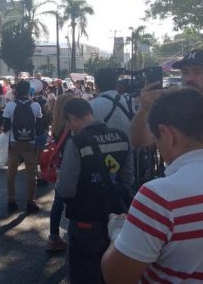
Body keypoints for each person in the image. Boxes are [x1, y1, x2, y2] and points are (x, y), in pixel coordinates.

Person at [101, 88, 203, 284]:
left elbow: (116, 277)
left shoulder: (160, 197)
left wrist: (118, 232)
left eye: (156, 141)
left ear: (167, 134)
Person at [56, 98, 133, 284]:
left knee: (84, 271)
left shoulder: (77, 142)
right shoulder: (122, 137)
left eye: (68, 123)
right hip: (117, 215)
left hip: (85, 216)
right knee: (113, 268)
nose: (70, 128)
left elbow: (65, 189)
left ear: (72, 118)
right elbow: (129, 179)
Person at [130, 49, 203, 147]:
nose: (189, 78)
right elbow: (139, 142)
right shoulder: (169, 112)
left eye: (197, 71)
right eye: (185, 72)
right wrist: (143, 110)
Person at [2, 80, 44, 214]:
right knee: (31, 174)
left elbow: (6, 127)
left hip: (14, 143)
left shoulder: (10, 105)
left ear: (15, 91)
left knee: (11, 173)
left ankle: (11, 200)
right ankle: (31, 202)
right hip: (30, 144)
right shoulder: (36, 105)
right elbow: (39, 124)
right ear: (28, 91)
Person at [46, 92, 75, 252]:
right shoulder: (71, 124)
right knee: (73, 201)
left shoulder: (56, 123)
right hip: (70, 164)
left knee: (58, 202)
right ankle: (72, 236)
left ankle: (53, 236)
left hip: (60, 165)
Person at [89, 68, 134, 137]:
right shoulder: (131, 102)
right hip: (130, 147)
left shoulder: (90, 106)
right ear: (116, 85)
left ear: (96, 86)